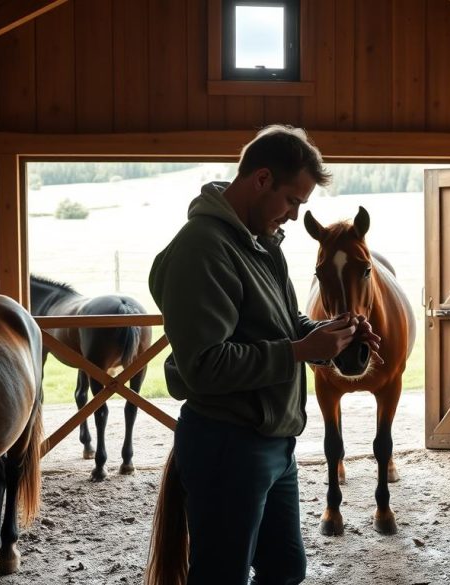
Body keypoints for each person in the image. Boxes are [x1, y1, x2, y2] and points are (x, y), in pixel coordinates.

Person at [148, 125, 380, 584]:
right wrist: (301, 349)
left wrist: (330, 334)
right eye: (292, 200)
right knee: (221, 576)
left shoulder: (261, 244)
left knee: (285, 568)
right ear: (261, 180)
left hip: (275, 442)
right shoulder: (203, 248)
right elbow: (204, 366)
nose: (295, 216)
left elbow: (285, 321)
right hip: (227, 443)